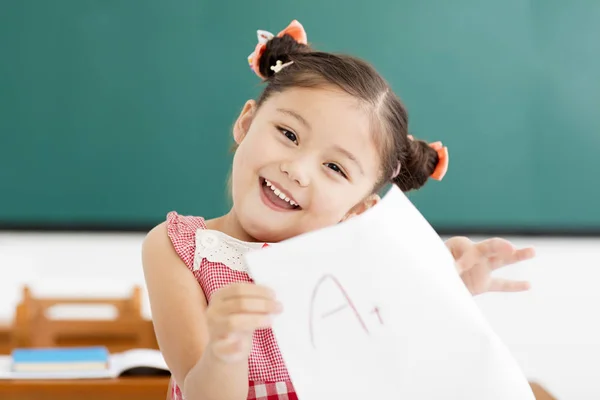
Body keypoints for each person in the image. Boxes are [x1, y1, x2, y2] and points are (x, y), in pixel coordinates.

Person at [141, 20, 536, 400]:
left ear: (360, 208)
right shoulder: (179, 248)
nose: (296, 170)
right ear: (246, 122)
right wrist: (225, 350)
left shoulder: (364, 266)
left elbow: (406, 372)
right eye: (289, 134)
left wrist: (445, 292)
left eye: (334, 167)